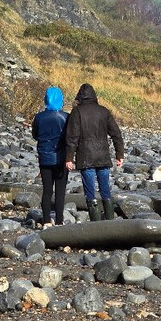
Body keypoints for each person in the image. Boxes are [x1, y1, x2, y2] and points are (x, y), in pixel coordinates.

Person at [64, 83, 125, 221]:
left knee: (90, 193)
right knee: (105, 191)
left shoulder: (77, 112)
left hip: (86, 157)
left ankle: (95, 224)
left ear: (80, 96)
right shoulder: (104, 111)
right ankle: (109, 222)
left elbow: (72, 137)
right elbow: (116, 134)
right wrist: (119, 154)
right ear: (94, 96)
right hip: (103, 156)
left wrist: (69, 157)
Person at [31, 86, 68, 227]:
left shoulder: (39, 117)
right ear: (61, 100)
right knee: (60, 191)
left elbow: (35, 135)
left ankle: (46, 220)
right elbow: (70, 137)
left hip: (45, 157)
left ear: (46, 99)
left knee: (47, 190)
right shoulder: (66, 117)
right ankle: (59, 221)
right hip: (61, 157)